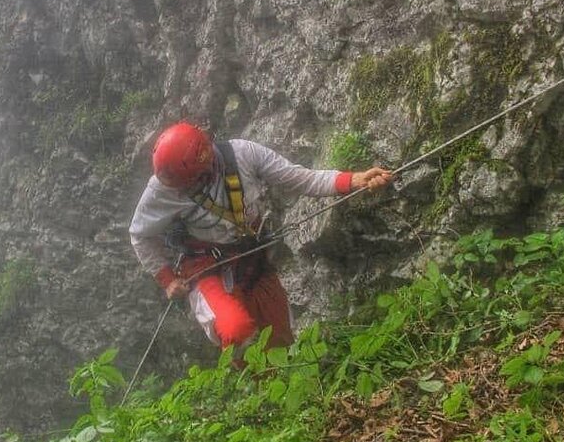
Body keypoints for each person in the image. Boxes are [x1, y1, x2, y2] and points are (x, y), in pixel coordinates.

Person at [129, 121, 393, 352]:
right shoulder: (162, 189)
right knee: (235, 331)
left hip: (252, 255)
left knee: (280, 337)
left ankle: (282, 385)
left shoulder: (243, 154)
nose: (182, 190)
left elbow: (299, 178)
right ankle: (251, 386)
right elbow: (140, 235)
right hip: (206, 267)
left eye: (188, 183)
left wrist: (353, 180)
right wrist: (167, 279)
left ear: (204, 166)